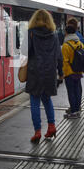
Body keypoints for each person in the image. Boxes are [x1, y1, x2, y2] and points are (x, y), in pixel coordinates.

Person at [25, 10, 63, 143]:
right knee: (47, 100)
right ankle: (51, 127)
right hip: (50, 72)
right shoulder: (54, 34)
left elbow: (25, 53)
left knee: (35, 102)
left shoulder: (30, 33)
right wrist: (61, 72)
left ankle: (37, 132)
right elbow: (59, 55)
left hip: (34, 72)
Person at [61, 24, 84, 119]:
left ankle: (74, 111)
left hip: (69, 72)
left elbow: (65, 61)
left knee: (71, 92)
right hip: (78, 71)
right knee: (78, 90)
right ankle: (77, 108)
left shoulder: (66, 45)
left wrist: (64, 73)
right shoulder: (79, 43)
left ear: (66, 33)